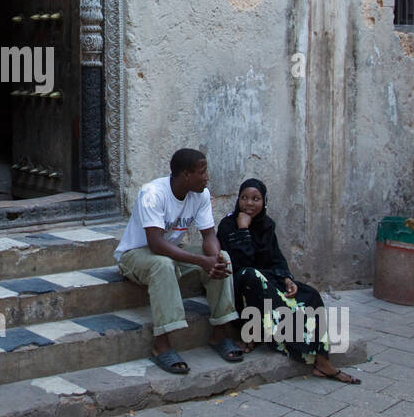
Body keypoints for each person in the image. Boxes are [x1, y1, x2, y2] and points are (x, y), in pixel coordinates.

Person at [217, 177, 360, 384]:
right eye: (244, 198)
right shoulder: (228, 225)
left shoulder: (267, 225)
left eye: (255, 198)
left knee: (310, 294)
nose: (249, 203)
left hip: (269, 281)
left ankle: (322, 359)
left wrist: (287, 278)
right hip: (243, 286)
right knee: (251, 275)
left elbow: (276, 258)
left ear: (264, 202)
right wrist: (243, 230)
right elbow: (241, 261)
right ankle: (266, 336)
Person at [115, 148, 240, 374]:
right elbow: (156, 244)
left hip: (172, 252)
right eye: (202, 172)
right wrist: (203, 261)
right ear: (185, 175)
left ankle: (221, 332)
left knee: (224, 258)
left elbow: (209, 235)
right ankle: (162, 345)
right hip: (135, 255)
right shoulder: (152, 193)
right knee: (163, 265)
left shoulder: (200, 194)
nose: (207, 177)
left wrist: (214, 259)